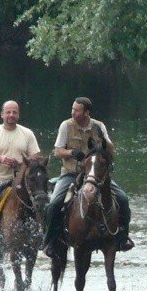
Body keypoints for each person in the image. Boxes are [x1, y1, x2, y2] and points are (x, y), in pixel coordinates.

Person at [43, 96, 133, 256]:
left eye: (76, 110)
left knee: (123, 198)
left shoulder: (99, 126)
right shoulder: (66, 125)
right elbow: (57, 151)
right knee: (55, 203)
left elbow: (110, 151)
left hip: (96, 176)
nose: (73, 113)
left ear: (86, 112)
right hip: (71, 173)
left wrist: (104, 141)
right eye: (72, 109)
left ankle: (123, 237)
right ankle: (49, 240)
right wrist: (71, 152)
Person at [0, 100, 42, 253]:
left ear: (18, 115)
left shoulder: (27, 133)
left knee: (42, 200)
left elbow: (36, 156)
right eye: (8, 112)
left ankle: (42, 235)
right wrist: (0, 159)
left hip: (21, 179)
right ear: (2, 115)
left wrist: (22, 164)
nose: (11, 115)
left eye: (14, 112)